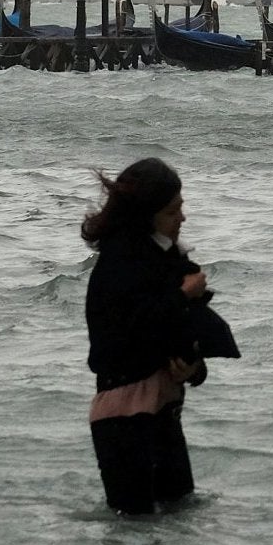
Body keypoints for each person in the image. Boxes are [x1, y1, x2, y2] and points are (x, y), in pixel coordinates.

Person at [82, 159, 238, 515]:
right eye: (172, 211)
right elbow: (128, 332)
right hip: (123, 419)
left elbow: (178, 335)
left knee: (180, 518)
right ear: (145, 215)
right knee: (133, 526)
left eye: (181, 208)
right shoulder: (117, 264)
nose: (182, 219)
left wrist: (193, 370)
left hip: (164, 408)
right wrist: (183, 295)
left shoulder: (165, 257)